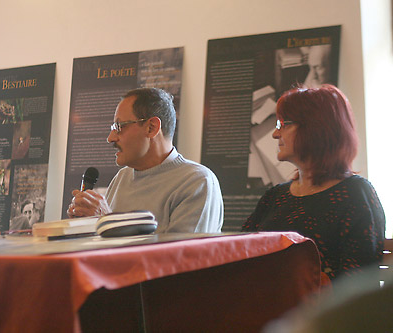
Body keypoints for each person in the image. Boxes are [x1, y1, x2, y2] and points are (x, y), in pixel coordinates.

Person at [242, 85, 385, 281]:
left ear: (315, 128)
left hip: (319, 312)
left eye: (284, 124)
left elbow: (355, 286)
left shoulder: (356, 195)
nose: (276, 134)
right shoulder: (274, 197)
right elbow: (240, 258)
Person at [67, 87, 223, 233]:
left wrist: (107, 221)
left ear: (151, 128)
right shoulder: (122, 178)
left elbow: (183, 258)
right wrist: (88, 225)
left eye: (119, 126)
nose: (111, 138)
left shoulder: (197, 182)